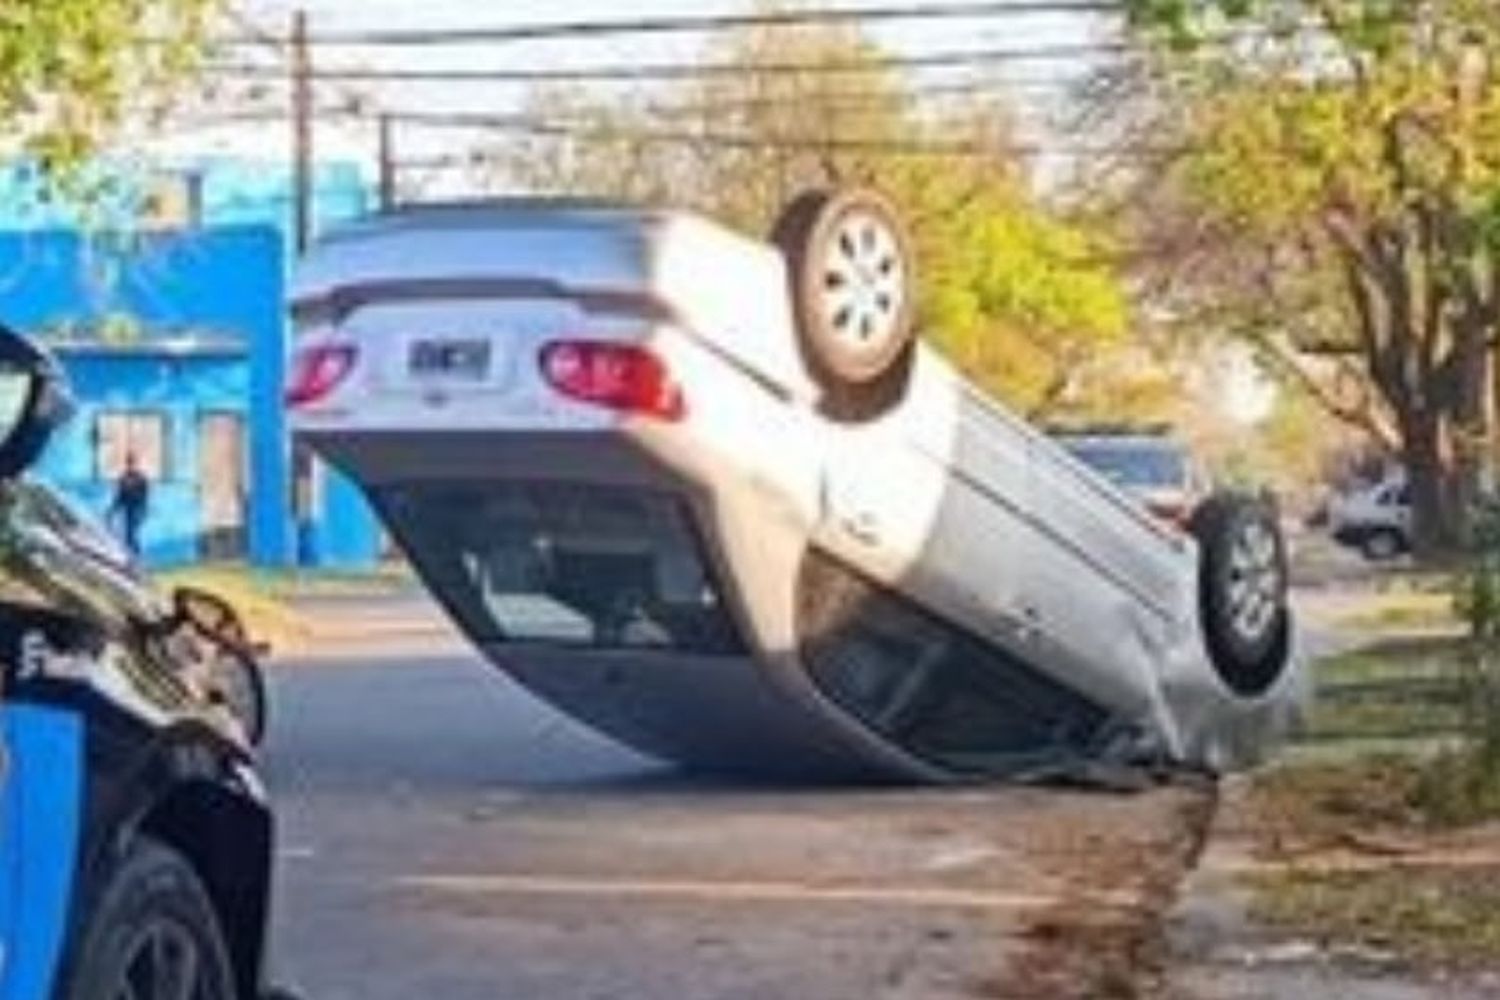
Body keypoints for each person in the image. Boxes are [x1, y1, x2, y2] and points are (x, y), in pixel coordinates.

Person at [109, 453, 151, 558]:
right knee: (128, 536)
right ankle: (132, 558)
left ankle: (136, 557)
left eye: (133, 463)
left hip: (137, 509)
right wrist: (112, 511)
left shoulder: (141, 478)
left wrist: (144, 510)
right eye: (129, 463)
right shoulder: (123, 478)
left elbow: (144, 496)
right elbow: (119, 496)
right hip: (128, 509)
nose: (131, 466)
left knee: (132, 535)